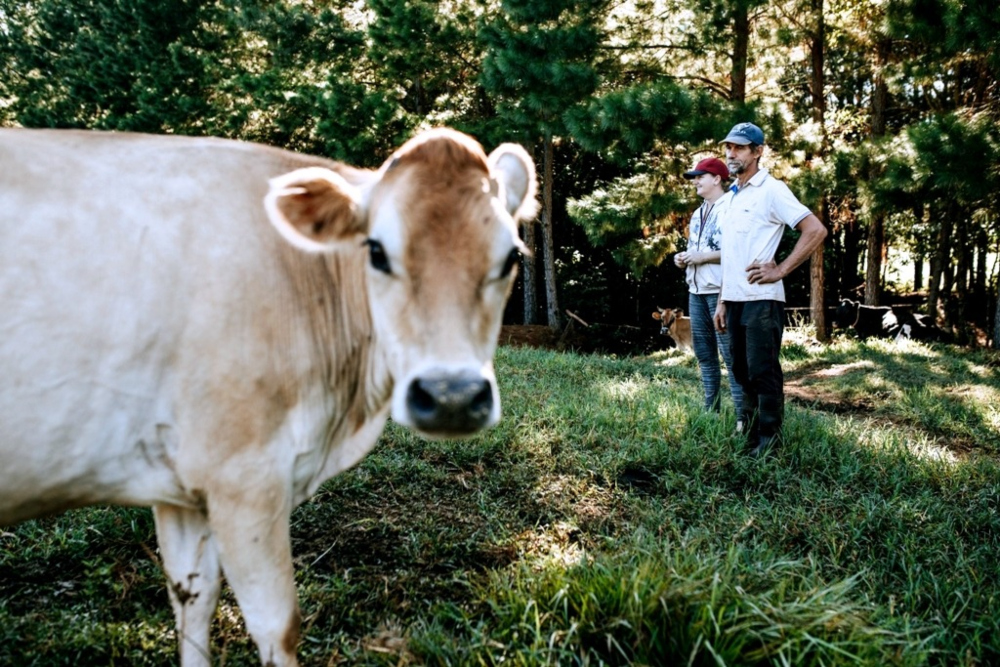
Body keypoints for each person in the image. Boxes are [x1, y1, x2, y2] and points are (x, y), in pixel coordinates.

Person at [712, 122, 827, 457]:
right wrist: (721, 301)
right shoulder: (732, 197)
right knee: (740, 370)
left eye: (740, 147)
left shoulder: (771, 189)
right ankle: (747, 437)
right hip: (733, 301)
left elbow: (814, 230)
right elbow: (732, 256)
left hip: (762, 300)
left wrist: (780, 270)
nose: (731, 153)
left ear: (758, 151)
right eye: (728, 147)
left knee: (763, 370)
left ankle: (769, 442)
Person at [674, 157, 744, 422]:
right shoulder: (697, 212)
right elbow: (697, 250)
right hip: (696, 291)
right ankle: (711, 412)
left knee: (730, 355)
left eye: (700, 176)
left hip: (721, 292)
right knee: (704, 354)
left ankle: (741, 417)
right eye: (694, 177)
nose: (695, 181)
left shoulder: (731, 207)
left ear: (717, 178)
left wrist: (703, 257)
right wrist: (683, 258)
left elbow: (737, 252)